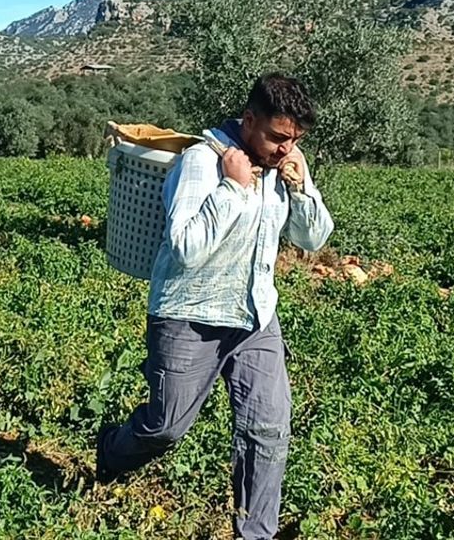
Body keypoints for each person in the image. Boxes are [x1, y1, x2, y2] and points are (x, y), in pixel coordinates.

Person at [96, 73, 334, 539]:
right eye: (278, 137)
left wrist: (302, 188)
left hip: (255, 318)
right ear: (249, 121)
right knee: (164, 427)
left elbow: (314, 238)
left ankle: (255, 534)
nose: (286, 148)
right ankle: (110, 452)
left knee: (267, 431)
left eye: (295, 140)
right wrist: (233, 189)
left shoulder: (285, 166)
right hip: (190, 317)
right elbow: (184, 247)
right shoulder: (201, 163)